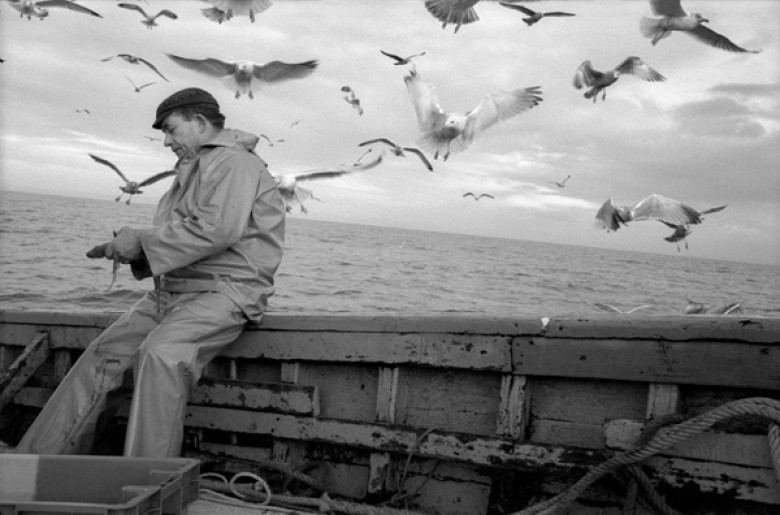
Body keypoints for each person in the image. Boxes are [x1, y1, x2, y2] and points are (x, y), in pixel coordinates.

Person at [17, 87, 286, 458]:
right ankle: (33, 465)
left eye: (171, 130)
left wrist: (141, 242)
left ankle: (146, 482)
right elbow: (184, 236)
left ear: (199, 122)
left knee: (162, 354)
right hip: (171, 293)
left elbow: (216, 230)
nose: (165, 141)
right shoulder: (194, 167)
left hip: (225, 292)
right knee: (102, 356)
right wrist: (132, 250)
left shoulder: (235, 163)